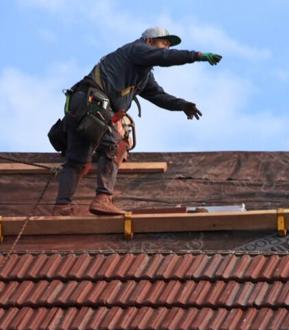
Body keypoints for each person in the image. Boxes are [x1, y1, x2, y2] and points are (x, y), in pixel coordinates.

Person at [53, 27, 223, 216]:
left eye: (169, 46)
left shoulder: (143, 74)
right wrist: (197, 55)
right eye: (164, 43)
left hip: (83, 105)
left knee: (77, 160)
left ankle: (62, 206)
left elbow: (158, 96)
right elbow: (165, 57)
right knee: (114, 146)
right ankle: (103, 199)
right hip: (93, 105)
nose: (166, 48)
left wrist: (182, 105)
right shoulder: (136, 49)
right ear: (149, 41)